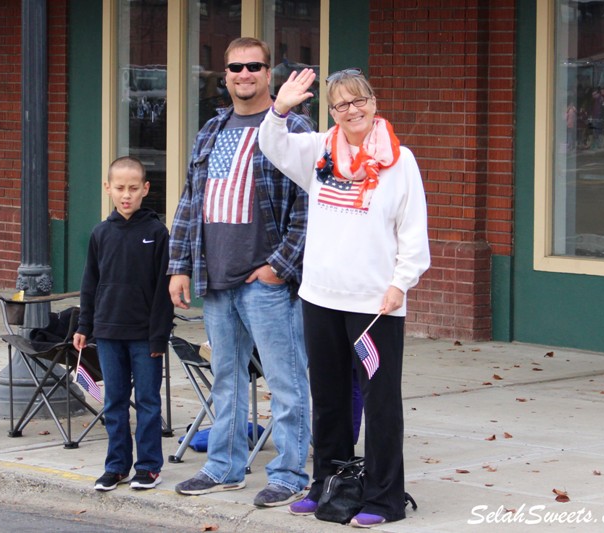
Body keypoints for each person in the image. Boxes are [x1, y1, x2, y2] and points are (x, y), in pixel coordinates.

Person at [258, 67, 431, 527]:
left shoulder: (401, 161)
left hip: (375, 305)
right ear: (331, 112)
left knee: (380, 401)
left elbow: (414, 233)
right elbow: (271, 145)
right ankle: (328, 486)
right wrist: (280, 108)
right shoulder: (319, 151)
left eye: (359, 101)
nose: (352, 111)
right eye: (341, 105)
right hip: (320, 297)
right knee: (330, 396)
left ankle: (383, 498)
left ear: (374, 102)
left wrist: (401, 283)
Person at [168, 37, 312, 507]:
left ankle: (290, 472)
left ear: (269, 73)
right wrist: (180, 266)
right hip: (216, 277)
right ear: (224, 74)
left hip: (266, 282)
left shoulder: (294, 126)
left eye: (254, 66)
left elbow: (309, 206)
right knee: (227, 378)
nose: (244, 74)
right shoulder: (211, 128)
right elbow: (191, 199)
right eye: (235, 67)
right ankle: (224, 467)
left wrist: (279, 267)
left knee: (286, 380)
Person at [73, 156, 173, 493]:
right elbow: (91, 283)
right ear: (108, 189)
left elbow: (164, 291)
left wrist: (160, 336)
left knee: (147, 401)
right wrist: (84, 326)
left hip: (145, 336)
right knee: (114, 401)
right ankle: (116, 466)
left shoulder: (157, 232)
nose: (126, 195)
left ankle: (148, 467)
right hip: (108, 332)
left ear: (145, 189)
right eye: (120, 188)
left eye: (133, 188)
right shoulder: (101, 233)